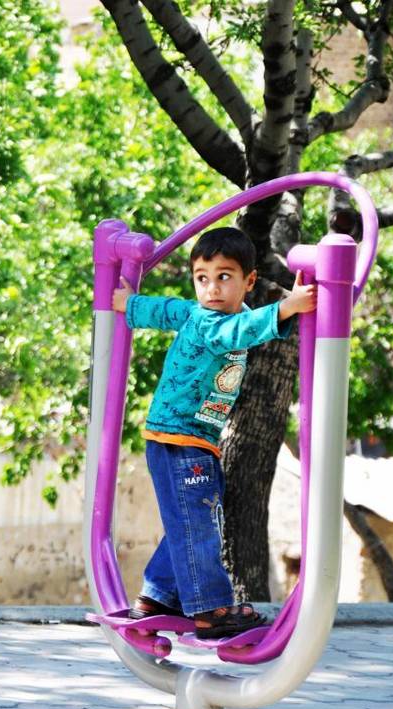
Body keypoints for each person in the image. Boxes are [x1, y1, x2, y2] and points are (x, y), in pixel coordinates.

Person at [111, 226, 316, 639]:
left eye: (224, 277)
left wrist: (131, 305)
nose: (211, 288)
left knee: (190, 520)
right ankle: (211, 609)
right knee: (198, 525)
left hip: (190, 440)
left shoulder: (226, 315)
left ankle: (157, 596)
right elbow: (231, 332)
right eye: (202, 278)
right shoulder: (213, 323)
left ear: (249, 281)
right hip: (181, 441)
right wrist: (286, 308)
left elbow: (166, 310)